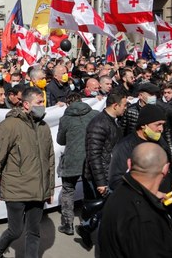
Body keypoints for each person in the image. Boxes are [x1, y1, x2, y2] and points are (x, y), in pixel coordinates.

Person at [0, 87, 55, 258]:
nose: (43, 106)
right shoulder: (8, 126)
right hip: (16, 190)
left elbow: (50, 159)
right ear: (26, 104)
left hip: (38, 191)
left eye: (43, 102)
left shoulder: (44, 127)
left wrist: (50, 189)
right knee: (16, 231)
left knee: (34, 231)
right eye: (39, 103)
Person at [100, 143, 172, 258]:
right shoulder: (146, 223)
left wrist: (152, 197)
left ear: (129, 163)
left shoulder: (119, 192)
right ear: (165, 169)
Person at [77, 92, 127, 250]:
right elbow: (94, 155)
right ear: (115, 105)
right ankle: (90, 231)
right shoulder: (99, 124)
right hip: (99, 177)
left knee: (105, 209)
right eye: (124, 105)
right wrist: (101, 182)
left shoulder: (113, 121)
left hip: (109, 173)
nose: (126, 108)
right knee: (103, 210)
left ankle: (88, 228)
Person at [108, 104, 172, 200]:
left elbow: (170, 167)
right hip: (138, 203)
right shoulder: (125, 146)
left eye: (163, 125)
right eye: (158, 124)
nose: (161, 129)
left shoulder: (161, 141)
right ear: (144, 125)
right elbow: (116, 181)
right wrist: (150, 193)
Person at [56, 93, 98, 235]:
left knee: (68, 190)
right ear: (81, 101)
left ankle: (68, 224)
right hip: (91, 158)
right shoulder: (94, 114)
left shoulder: (65, 119)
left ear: (68, 104)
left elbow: (60, 140)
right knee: (90, 190)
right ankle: (89, 222)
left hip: (72, 159)